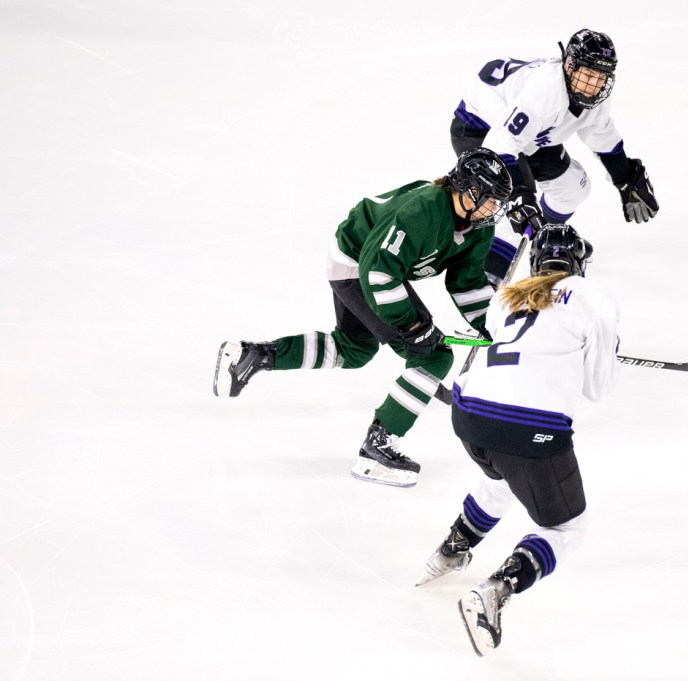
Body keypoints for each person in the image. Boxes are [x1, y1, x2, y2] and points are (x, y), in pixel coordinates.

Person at [212, 148, 514, 488]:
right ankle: (377, 447)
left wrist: (497, 325)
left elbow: (467, 282)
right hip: (357, 266)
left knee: (353, 349)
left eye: (497, 203)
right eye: (488, 199)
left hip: (370, 267)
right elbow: (378, 273)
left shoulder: (477, 227)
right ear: (467, 189)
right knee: (433, 356)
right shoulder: (422, 211)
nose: (493, 209)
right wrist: (413, 326)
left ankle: (252, 355)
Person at [414, 225, 620, 656]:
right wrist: (607, 347)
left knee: (505, 477)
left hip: (468, 416)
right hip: (527, 428)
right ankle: (497, 588)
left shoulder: (505, 295)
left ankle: (454, 549)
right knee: (566, 526)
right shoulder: (592, 297)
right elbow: (597, 389)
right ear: (578, 263)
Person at [450, 28, 659, 284]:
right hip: (480, 127)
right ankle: (487, 279)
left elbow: (602, 136)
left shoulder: (594, 97)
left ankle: (547, 238)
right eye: (589, 74)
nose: (594, 85)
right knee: (511, 207)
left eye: (602, 76)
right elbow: (502, 144)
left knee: (574, 187)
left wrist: (625, 178)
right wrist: (521, 199)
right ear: (570, 67)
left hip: (530, 132)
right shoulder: (545, 90)